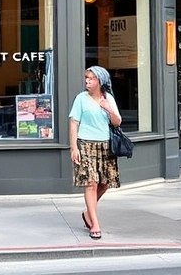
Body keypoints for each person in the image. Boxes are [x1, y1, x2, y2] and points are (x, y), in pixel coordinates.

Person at [68, 65, 122, 241]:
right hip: (86, 144)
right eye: (86, 78)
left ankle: (87, 212)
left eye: (91, 78)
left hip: (105, 145)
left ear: (100, 81)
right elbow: (74, 123)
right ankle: (95, 223)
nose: (87, 81)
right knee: (91, 182)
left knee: (105, 183)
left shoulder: (108, 98)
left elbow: (117, 123)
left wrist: (108, 108)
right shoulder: (81, 99)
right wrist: (74, 147)